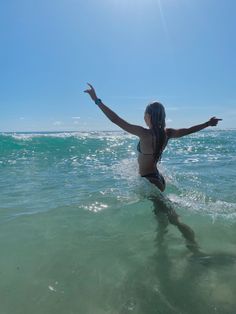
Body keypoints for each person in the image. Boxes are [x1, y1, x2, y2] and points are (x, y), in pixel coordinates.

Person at [84, 83, 222, 252]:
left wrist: (96, 100)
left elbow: (115, 119)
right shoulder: (167, 133)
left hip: (150, 181)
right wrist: (207, 123)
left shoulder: (143, 133)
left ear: (148, 116)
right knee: (162, 216)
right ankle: (161, 242)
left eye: (144, 114)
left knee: (174, 219)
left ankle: (195, 250)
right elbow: (188, 130)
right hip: (157, 177)